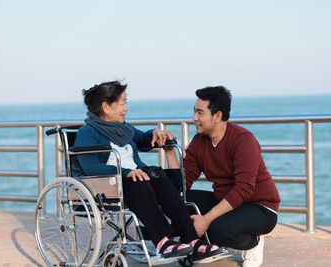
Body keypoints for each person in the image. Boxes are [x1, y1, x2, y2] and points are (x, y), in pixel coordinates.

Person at [72, 80, 222, 261]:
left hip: (134, 179)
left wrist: (155, 133)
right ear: (106, 106)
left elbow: (143, 138)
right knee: (141, 182)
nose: (126, 107)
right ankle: (162, 242)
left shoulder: (122, 128)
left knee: (161, 180)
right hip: (109, 184)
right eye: (122, 103)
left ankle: (191, 240)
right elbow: (90, 167)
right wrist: (126, 172)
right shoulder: (87, 132)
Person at [184, 86, 281, 267]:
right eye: (194, 112)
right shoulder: (199, 141)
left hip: (259, 207)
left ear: (217, 116)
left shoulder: (243, 139)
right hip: (226, 202)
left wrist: (206, 219)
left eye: (200, 113)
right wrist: (169, 151)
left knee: (217, 230)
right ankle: (202, 245)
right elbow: (183, 182)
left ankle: (254, 241)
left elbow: (243, 189)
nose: (194, 118)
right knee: (179, 201)